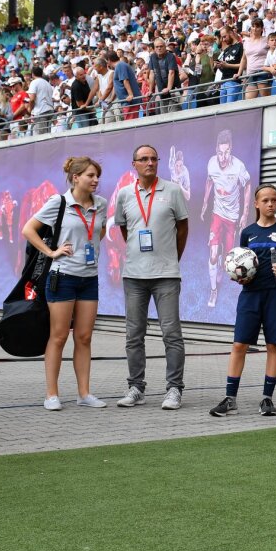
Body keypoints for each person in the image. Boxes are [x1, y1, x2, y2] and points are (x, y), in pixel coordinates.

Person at [23, 156, 108, 411]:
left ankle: (84, 393)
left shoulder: (101, 204)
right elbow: (29, 229)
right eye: (90, 175)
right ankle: (51, 394)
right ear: (75, 177)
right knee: (58, 336)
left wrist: (88, 246)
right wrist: (51, 253)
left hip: (89, 277)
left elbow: (99, 231)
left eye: (97, 176)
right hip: (62, 276)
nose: (95, 180)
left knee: (84, 337)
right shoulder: (58, 202)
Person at [210, 184, 276, 417]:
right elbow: (240, 263)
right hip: (251, 296)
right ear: (256, 203)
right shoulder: (248, 232)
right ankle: (230, 398)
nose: (271, 204)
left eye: (274, 200)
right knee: (239, 344)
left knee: (273, 345)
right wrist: (239, 277)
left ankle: (267, 399)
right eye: (266, 200)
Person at [114, 144, 189, 409]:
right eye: (144, 159)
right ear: (133, 164)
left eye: (154, 159)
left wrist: (170, 257)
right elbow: (125, 231)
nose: (150, 163)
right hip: (134, 275)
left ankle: (174, 389)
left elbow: (182, 229)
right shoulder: (124, 195)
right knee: (134, 335)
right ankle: (136, 388)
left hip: (166, 275)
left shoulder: (173, 191)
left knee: (171, 334)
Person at [201, 128, 251, 308]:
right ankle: (214, 290)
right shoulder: (211, 163)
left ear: (231, 150)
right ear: (216, 151)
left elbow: (247, 185)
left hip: (232, 216)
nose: (223, 157)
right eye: (220, 153)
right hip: (217, 214)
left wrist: (245, 213)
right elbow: (209, 181)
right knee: (213, 255)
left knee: (226, 261)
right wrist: (205, 202)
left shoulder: (238, 166)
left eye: (227, 152)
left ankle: (223, 255)